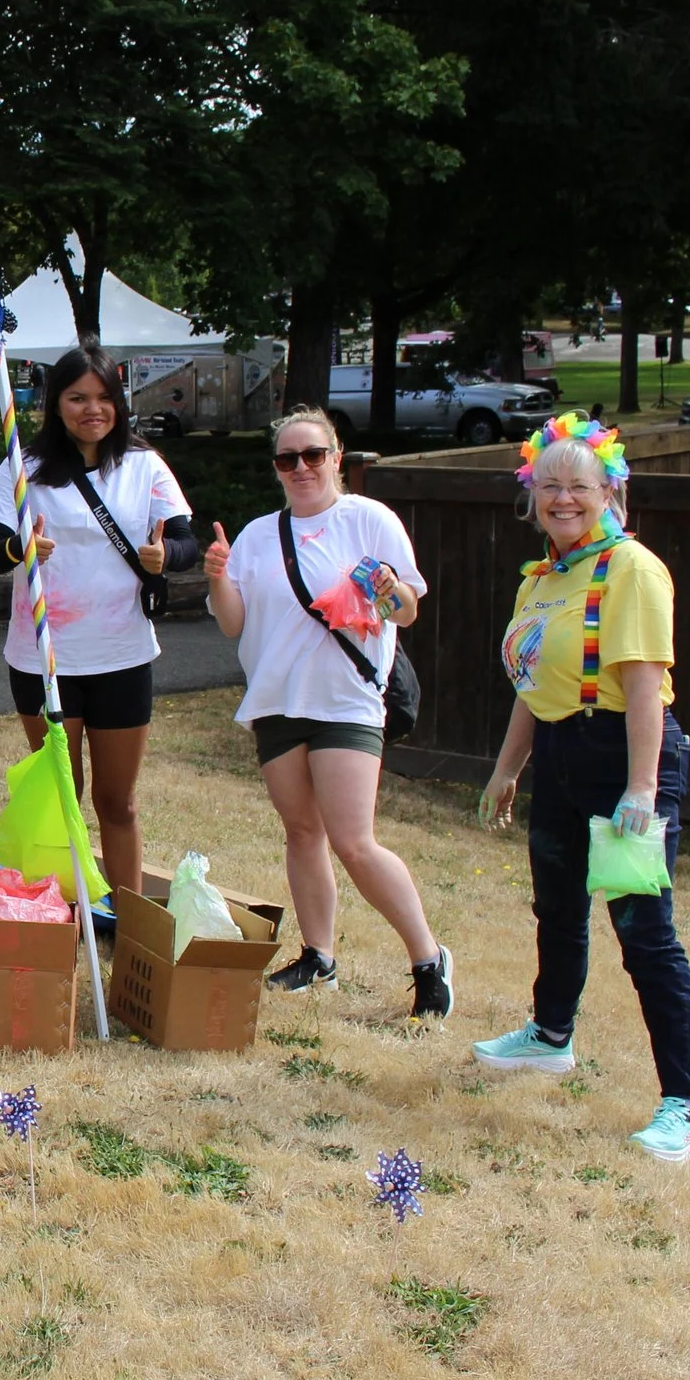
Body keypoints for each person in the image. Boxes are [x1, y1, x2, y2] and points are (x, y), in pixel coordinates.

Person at [473, 415, 690, 1162]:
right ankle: (550, 1035)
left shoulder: (632, 569)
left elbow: (645, 687)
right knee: (558, 906)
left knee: (644, 932)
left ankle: (687, 1106)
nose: (563, 499)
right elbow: (531, 684)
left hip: (625, 753)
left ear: (611, 492)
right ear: (532, 497)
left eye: (579, 485)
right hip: (561, 749)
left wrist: (642, 788)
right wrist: (509, 767)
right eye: (550, 486)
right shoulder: (544, 578)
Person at [203, 407, 453, 1018]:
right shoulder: (260, 534)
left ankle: (428, 961)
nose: (301, 468)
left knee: (354, 840)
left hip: (346, 700)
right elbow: (235, 624)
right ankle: (320, 957)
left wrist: (388, 586)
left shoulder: (370, 520)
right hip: (277, 701)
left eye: (313, 455)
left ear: (337, 457)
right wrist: (216, 578)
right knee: (302, 831)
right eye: (287, 459)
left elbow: (407, 610)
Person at [0, 345, 198, 899]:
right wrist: (18, 547)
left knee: (117, 802)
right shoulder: (22, 467)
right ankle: (65, 916)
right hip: (44, 658)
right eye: (77, 398)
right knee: (62, 796)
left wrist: (167, 556)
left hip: (122, 654)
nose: (91, 409)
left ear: (118, 404)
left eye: (103, 398)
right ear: (56, 404)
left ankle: (127, 918)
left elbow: (185, 540)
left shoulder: (144, 465)